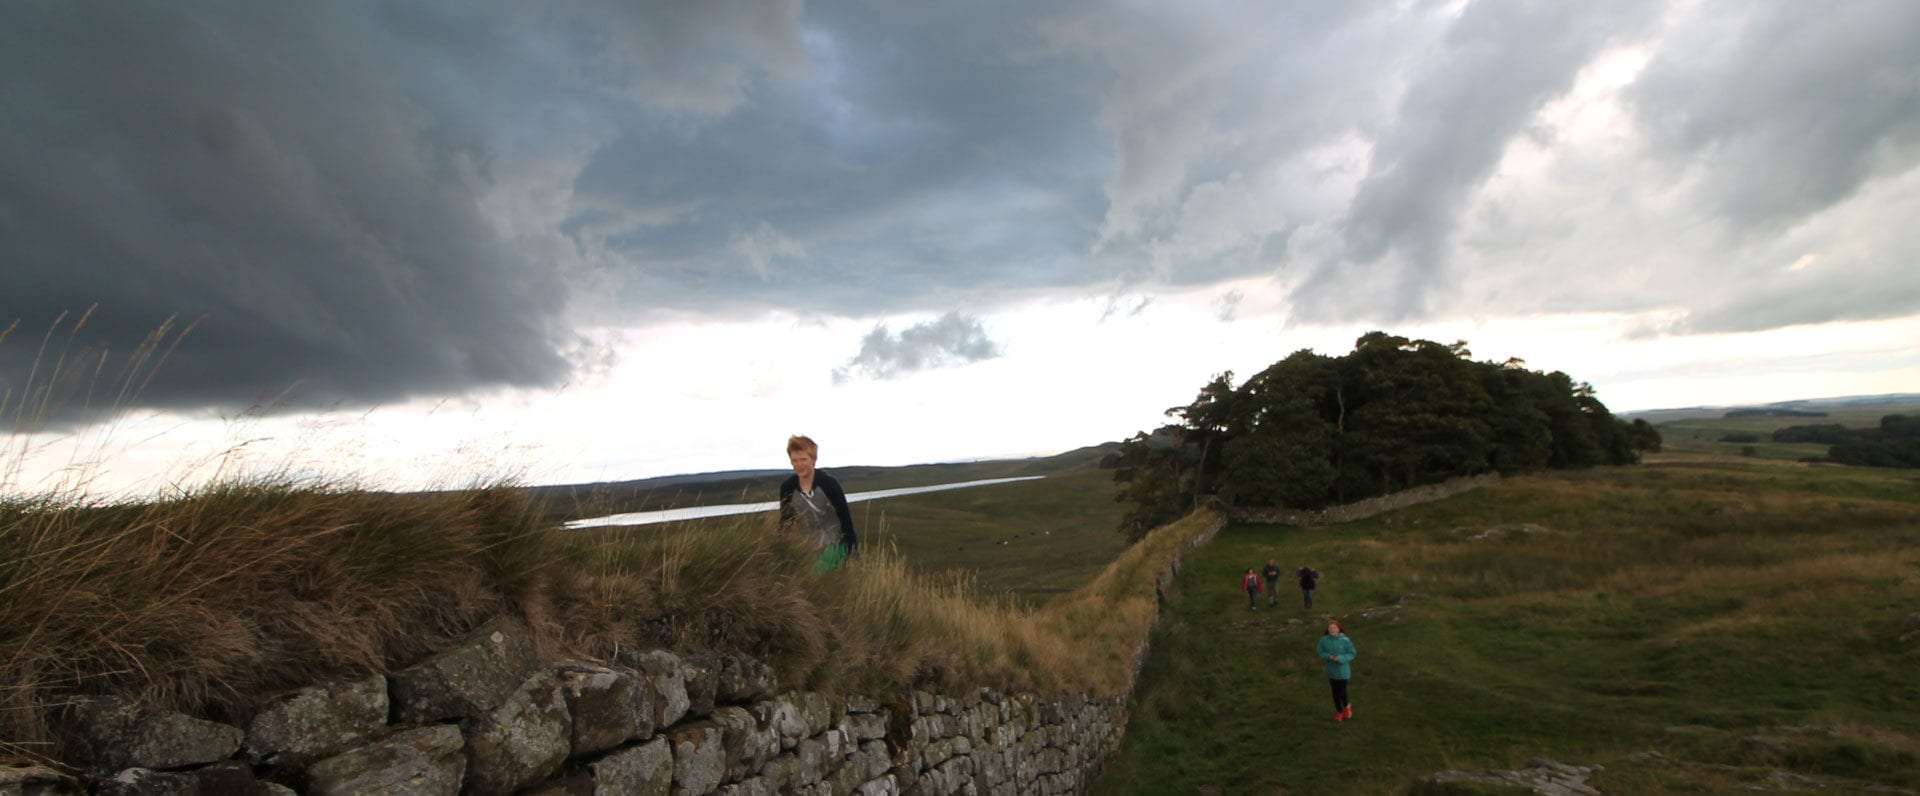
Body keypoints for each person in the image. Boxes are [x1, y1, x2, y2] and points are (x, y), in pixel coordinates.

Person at [778, 435, 859, 573]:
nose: (799, 465)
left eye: (803, 459)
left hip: (836, 544)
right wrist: (779, 549)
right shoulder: (787, 488)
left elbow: (846, 521)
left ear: (814, 459)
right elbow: (786, 522)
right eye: (794, 460)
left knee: (815, 575)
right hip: (807, 547)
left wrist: (854, 555)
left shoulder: (829, 484)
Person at [1317, 620, 1357, 722]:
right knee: (1335, 692)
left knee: (1342, 691)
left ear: (1339, 629)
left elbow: (1352, 653)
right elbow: (1320, 651)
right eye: (1330, 628)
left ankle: (1347, 707)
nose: (1332, 630)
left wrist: (1341, 658)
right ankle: (1339, 712)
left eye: (1334, 628)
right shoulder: (1324, 640)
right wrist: (1328, 656)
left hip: (1343, 671)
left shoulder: (1345, 640)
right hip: (1331, 671)